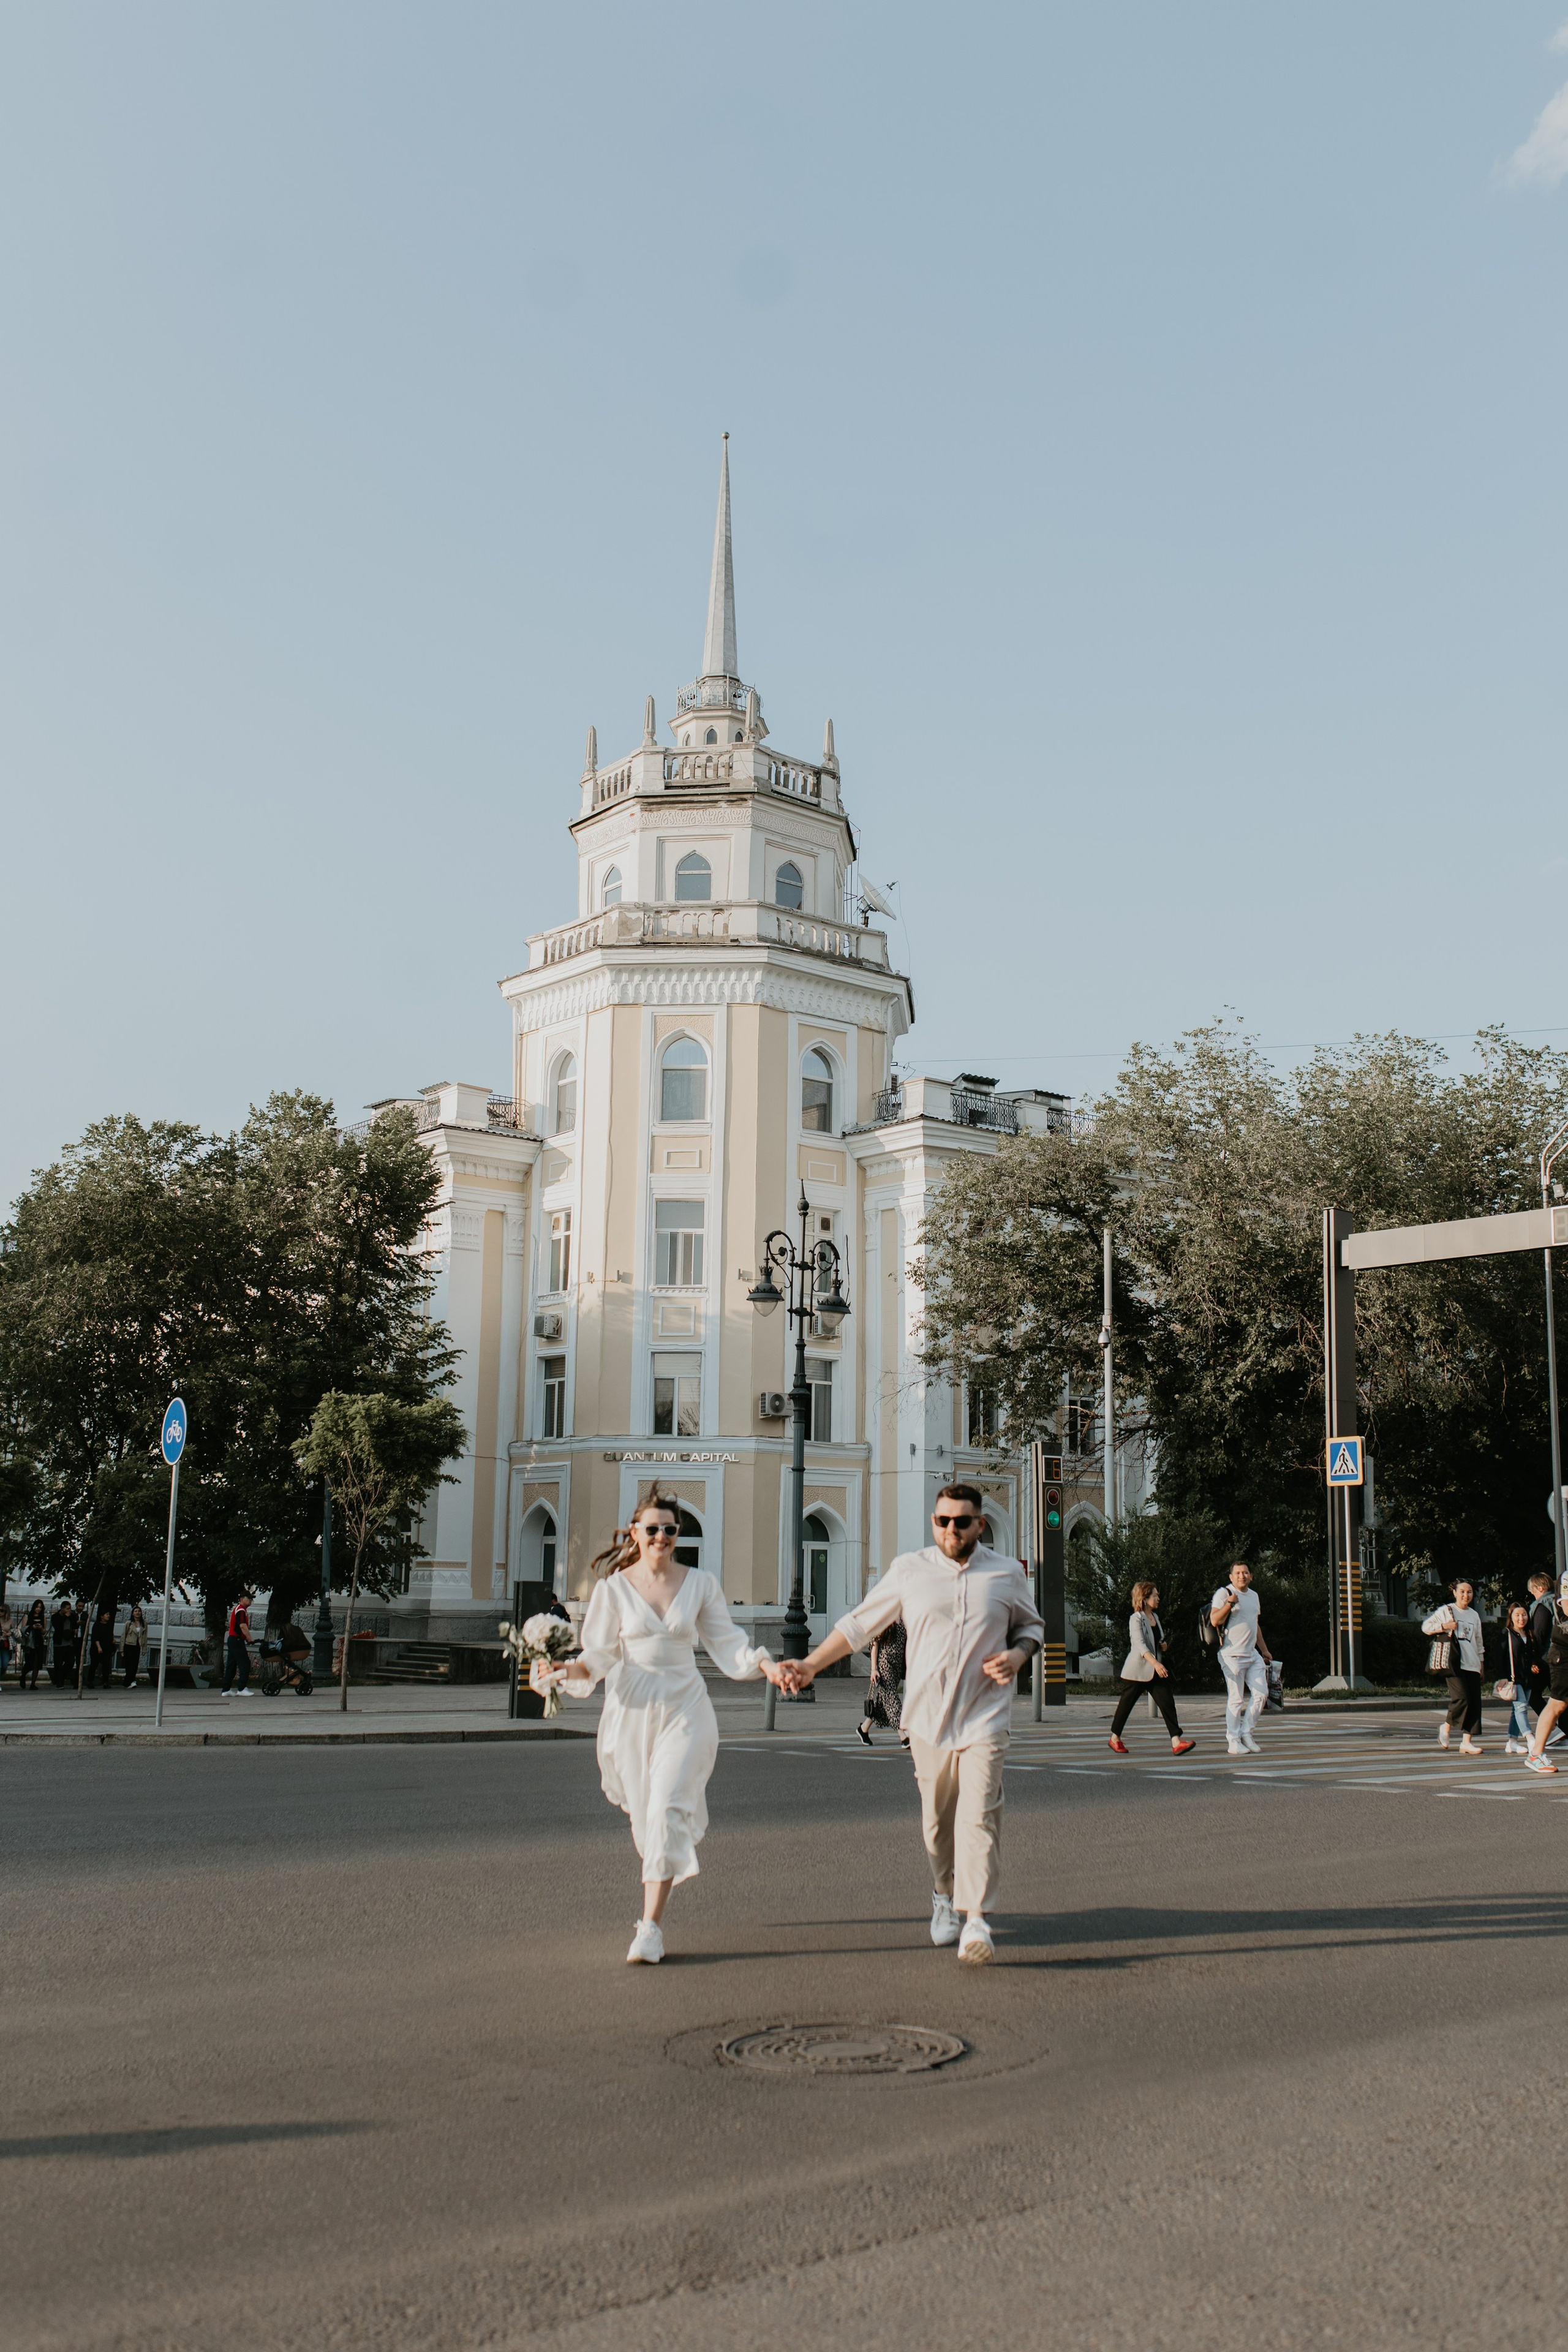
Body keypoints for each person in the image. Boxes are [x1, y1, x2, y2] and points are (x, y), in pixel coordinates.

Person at [780, 1482, 1043, 1967]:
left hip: (985, 1718)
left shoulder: (1006, 1574)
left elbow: (1031, 1628)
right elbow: (858, 1625)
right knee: (937, 1824)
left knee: (980, 1814)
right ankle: (944, 1895)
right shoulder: (910, 1571)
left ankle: (977, 1920)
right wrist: (812, 1664)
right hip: (926, 1720)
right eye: (942, 1521)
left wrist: (1017, 1654)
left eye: (961, 1521)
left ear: (979, 1525)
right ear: (934, 1523)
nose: (951, 1529)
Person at [532, 1493, 789, 1963]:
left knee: (669, 1807)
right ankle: (655, 1892)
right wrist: (560, 1671)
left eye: (670, 1530)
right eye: (652, 1529)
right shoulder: (613, 1590)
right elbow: (597, 1660)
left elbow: (729, 1646)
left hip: (685, 1709)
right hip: (631, 1712)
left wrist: (766, 1667)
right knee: (648, 1822)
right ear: (635, 1533)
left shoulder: (700, 1584)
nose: (661, 1538)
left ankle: (649, 1927)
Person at [1107, 1582, 1196, 1757]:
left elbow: (1158, 1639)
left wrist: (1163, 1646)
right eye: (1154, 1595)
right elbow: (1139, 1645)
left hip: (1156, 1670)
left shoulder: (1155, 1617)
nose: (1158, 1598)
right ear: (1144, 1599)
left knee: (1167, 1703)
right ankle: (1115, 1738)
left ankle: (1176, 1742)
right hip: (1138, 1670)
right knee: (1126, 1705)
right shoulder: (1136, 1619)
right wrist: (1156, 1663)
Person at [1210, 1563, 1272, 1757]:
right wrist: (1229, 1603)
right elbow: (1214, 1620)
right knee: (1236, 1700)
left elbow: (1255, 1625)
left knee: (1262, 1694)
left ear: (1251, 1576)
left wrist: (1264, 1650)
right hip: (1232, 1654)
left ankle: (1247, 1733)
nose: (1241, 1576)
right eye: (1237, 1573)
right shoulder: (1224, 1593)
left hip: (1252, 1654)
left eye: (1245, 1573)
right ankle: (1233, 1740)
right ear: (1231, 1577)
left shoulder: (1254, 1596)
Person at [1422, 1580, 1485, 1754]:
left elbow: (1479, 1641)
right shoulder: (1446, 1610)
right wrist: (1444, 1626)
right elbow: (1425, 1627)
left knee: (1474, 1704)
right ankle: (1446, 1727)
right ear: (1455, 1593)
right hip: (1454, 1663)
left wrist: (1481, 1664)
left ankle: (1467, 1742)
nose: (1466, 1595)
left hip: (1472, 1663)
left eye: (1470, 1592)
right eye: (1463, 1592)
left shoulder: (1474, 1615)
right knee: (1462, 1698)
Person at [1521, 1578, 1568, 1775]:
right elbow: (1566, 1609)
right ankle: (1536, 1754)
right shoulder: (1566, 1579)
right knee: (1558, 1703)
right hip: (1563, 1652)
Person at [857, 1611, 907, 1747]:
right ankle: (903, 1736)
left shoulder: (904, 1618)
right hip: (885, 1663)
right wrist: (874, 1669)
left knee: (884, 1700)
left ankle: (864, 1729)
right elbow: (874, 1644)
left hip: (897, 1665)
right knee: (891, 1697)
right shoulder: (885, 1617)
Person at [1499, 1602, 1541, 1756]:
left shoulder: (1529, 1634)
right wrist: (1502, 1676)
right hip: (1513, 1678)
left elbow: (1530, 1656)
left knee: (1516, 1710)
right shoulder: (1507, 1633)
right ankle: (1530, 1738)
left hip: (1528, 1678)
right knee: (1521, 1707)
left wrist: (1534, 1664)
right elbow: (1500, 1657)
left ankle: (1512, 1742)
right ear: (1511, 1617)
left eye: (1524, 1614)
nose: (1521, 1618)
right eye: (1517, 1615)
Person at [221, 1590, 255, 1697]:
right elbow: (242, 1626)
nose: (250, 1600)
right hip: (236, 1641)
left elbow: (239, 1628)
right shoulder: (241, 1610)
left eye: (251, 1598)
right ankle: (242, 1689)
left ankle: (226, 1690)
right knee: (245, 1664)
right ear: (241, 1599)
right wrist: (250, 1639)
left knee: (231, 1666)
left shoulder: (239, 1610)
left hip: (233, 1640)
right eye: (248, 1598)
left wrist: (245, 1638)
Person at [86, 1604, 117, 1689]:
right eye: (107, 1614)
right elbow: (95, 1637)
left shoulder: (109, 1625)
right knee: (94, 1665)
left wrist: (113, 1640)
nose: (108, 1616)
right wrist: (99, 1647)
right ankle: (90, 1681)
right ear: (102, 1616)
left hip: (107, 1648)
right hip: (97, 1648)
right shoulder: (97, 1625)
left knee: (106, 1666)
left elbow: (110, 1635)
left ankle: (105, 1682)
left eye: (109, 1614)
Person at [20, 1600, 47, 1691]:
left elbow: (44, 1632)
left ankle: (33, 1684)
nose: (38, 1609)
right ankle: (23, 1676)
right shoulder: (28, 1616)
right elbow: (23, 1629)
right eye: (37, 1607)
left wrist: (41, 1628)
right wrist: (32, 1627)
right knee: (29, 1662)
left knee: (37, 1663)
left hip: (39, 1641)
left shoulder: (43, 1617)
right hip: (30, 1642)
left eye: (40, 1607)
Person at [50, 1600, 79, 1687]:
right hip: (59, 1643)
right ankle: (59, 1682)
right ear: (62, 1609)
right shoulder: (55, 1616)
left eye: (70, 1608)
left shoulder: (71, 1616)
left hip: (69, 1642)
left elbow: (75, 1625)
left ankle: (61, 1677)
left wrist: (76, 1624)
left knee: (70, 1662)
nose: (69, 1610)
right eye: (67, 1609)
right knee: (58, 1663)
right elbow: (57, 1626)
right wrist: (64, 1617)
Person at [121, 1604, 148, 1689]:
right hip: (128, 1645)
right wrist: (121, 1650)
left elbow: (145, 1637)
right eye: (136, 1611)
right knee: (129, 1665)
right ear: (133, 1613)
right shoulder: (129, 1623)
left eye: (139, 1611)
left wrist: (144, 1649)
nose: (138, 1613)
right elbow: (123, 1636)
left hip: (137, 1646)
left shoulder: (144, 1624)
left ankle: (127, 1682)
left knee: (135, 1664)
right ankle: (132, 1681)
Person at [0, 1600, 13, 1690]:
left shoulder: (10, 1620)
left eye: (2, 1611)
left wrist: (10, 1633)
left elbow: (14, 1630)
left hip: (5, 1644)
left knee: (4, 1666)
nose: (0, 1612)